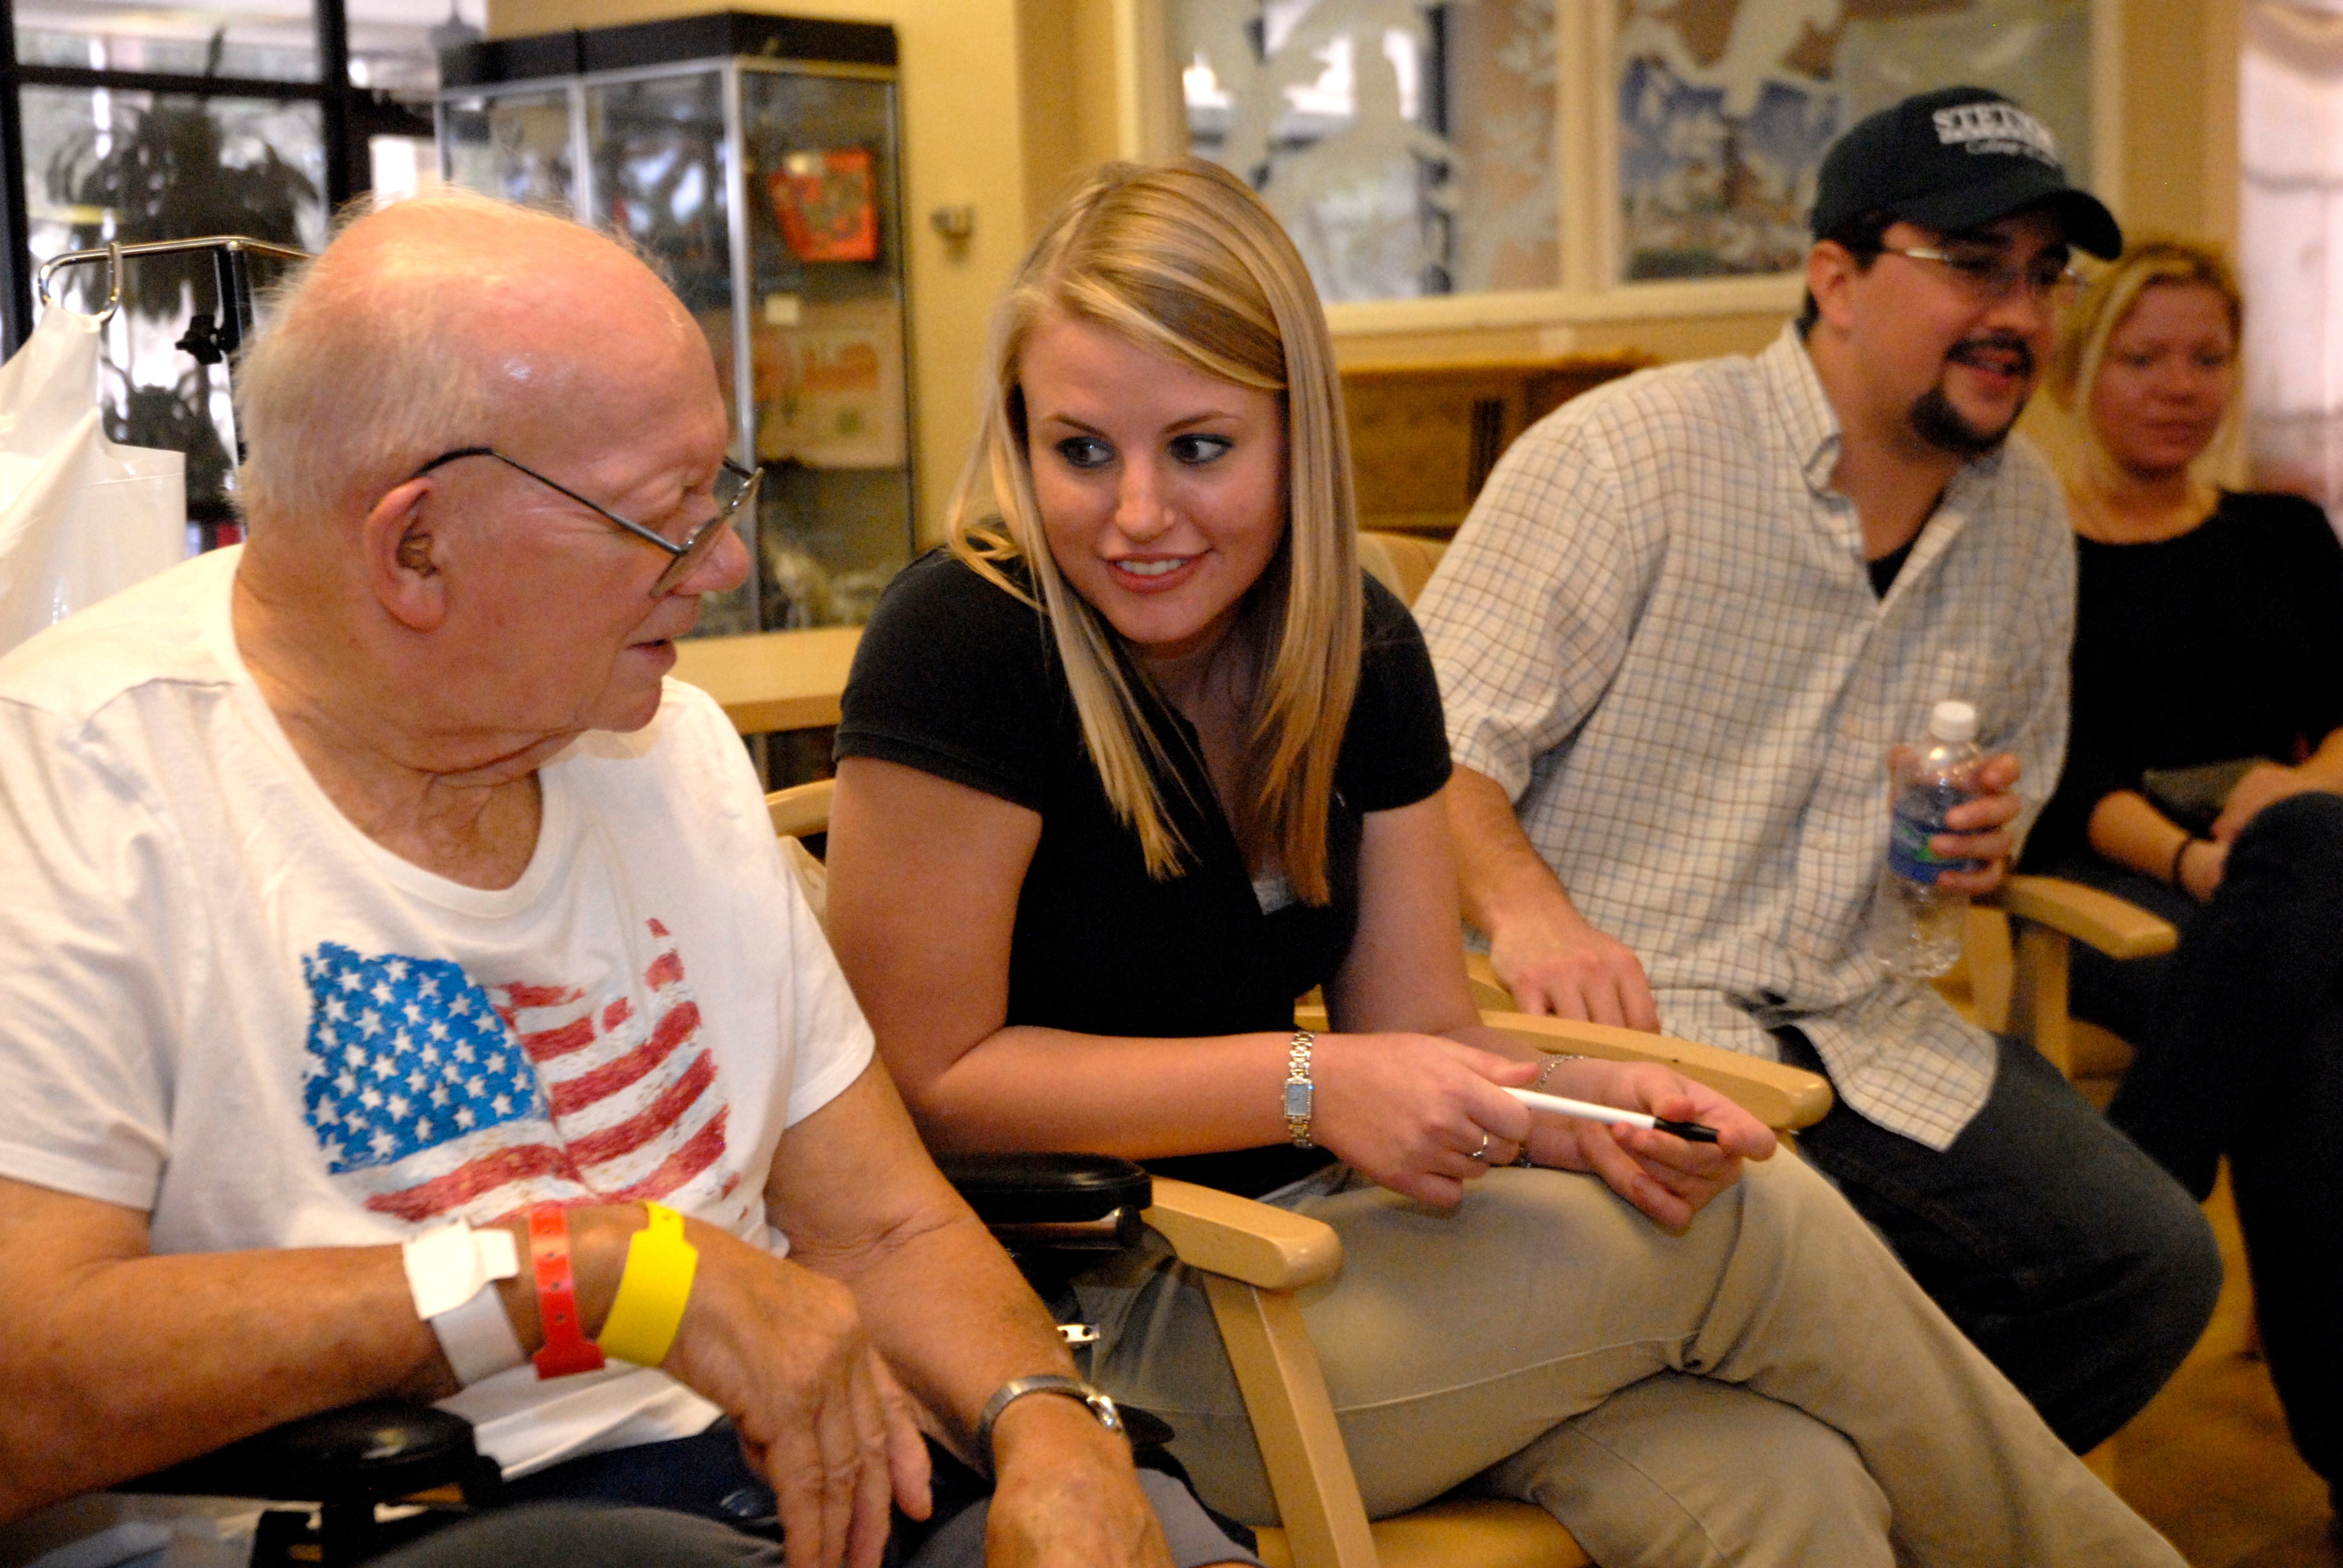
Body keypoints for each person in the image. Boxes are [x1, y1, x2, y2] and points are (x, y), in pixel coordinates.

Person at [821, 155, 2186, 1567]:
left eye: (1202, 448)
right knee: (1755, 1228)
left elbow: (1414, 1033)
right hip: (1071, 1326)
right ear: (1016, 436)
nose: (1139, 514)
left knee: (1784, 1483)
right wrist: (1311, 1084)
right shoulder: (966, 641)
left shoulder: (1353, 640)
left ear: (1299, 439)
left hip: (1321, 1252)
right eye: (1081, 450)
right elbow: (923, 1091)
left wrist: (1582, 1108)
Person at [0, 193, 1256, 1568]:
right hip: (429, 1520)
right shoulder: (72, 784)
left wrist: (1052, 1432)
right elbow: (24, 1383)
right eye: (666, 519)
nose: (722, 565)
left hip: (801, 1477)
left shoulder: (666, 748)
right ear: (416, 545)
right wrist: (583, 1276)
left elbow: (886, 1228)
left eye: (721, 496)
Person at [1415, 85, 2222, 1454]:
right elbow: (1419, 750)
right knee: (1816, 1304)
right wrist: (1531, 911)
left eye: (2042, 277)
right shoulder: (1632, 457)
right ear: (1833, 279)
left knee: (2145, 1265)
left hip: (1867, 1024)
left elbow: (2008, 791)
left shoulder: (2022, 509)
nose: (2020, 315)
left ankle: (1867, 1507)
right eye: (1971, 265)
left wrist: (1983, 839)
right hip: (1633, 1040)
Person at [2022, 237, 2343, 1499]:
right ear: (2082, 374)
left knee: (2312, 861)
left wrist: (2289, 809)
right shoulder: (2033, 550)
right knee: (2312, 1042)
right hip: (2122, 887)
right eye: (2144, 357)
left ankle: (2149, 1178)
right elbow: (2061, 770)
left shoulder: (2283, 532)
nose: (2179, 384)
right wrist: (2201, 861)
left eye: (2207, 357)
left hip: (2294, 863)